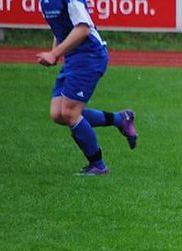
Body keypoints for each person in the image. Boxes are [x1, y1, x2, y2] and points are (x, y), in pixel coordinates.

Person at [37, 0, 138, 176]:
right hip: (72, 59)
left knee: (69, 112)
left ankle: (98, 165)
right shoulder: (44, 2)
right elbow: (60, 29)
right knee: (58, 114)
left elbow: (83, 29)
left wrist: (54, 53)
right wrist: (56, 53)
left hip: (89, 56)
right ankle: (120, 119)